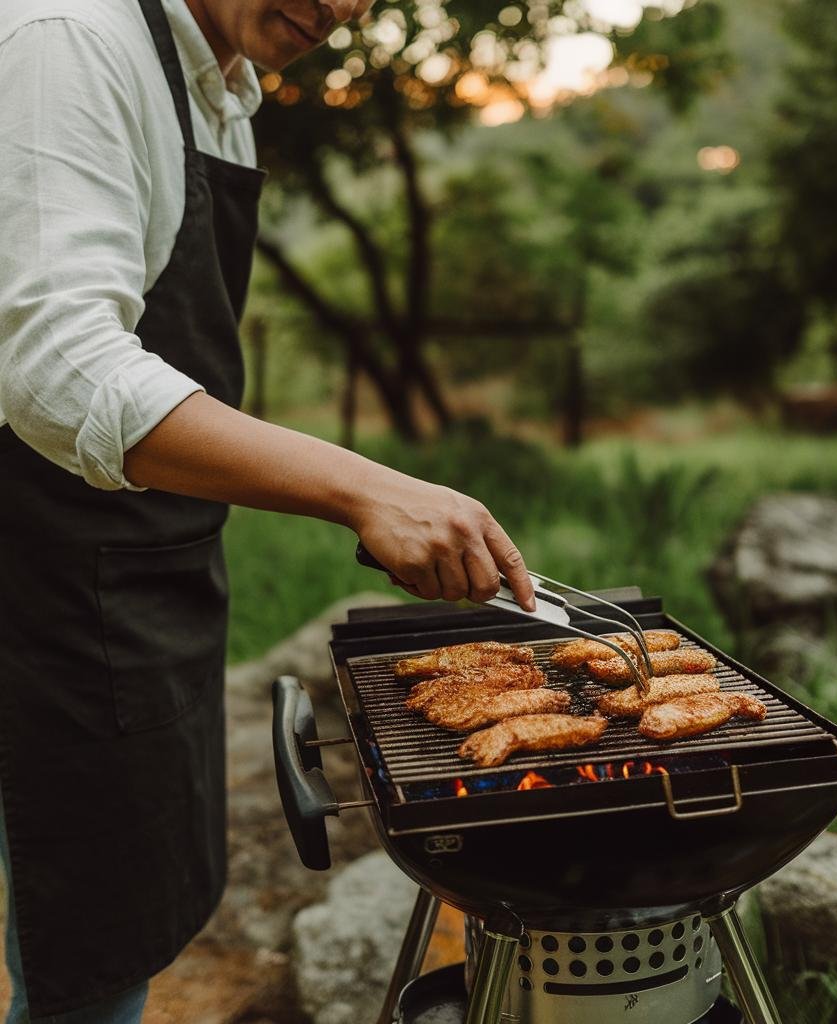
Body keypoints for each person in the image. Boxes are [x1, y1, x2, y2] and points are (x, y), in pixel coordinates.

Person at [0, 1, 536, 1020]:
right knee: (85, 964)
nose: (343, 8)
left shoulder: (224, 87)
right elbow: (59, 371)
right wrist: (362, 486)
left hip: (145, 573)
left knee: (121, 922)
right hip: (35, 576)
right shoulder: (69, 40)